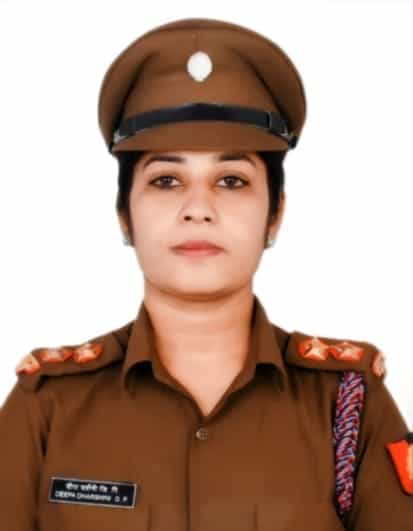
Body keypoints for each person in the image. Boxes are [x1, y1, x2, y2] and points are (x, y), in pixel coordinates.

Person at [0, 16, 412, 531]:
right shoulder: (48, 407)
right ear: (124, 215)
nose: (198, 209)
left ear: (275, 214)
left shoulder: (347, 404)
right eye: (166, 180)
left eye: (231, 180)